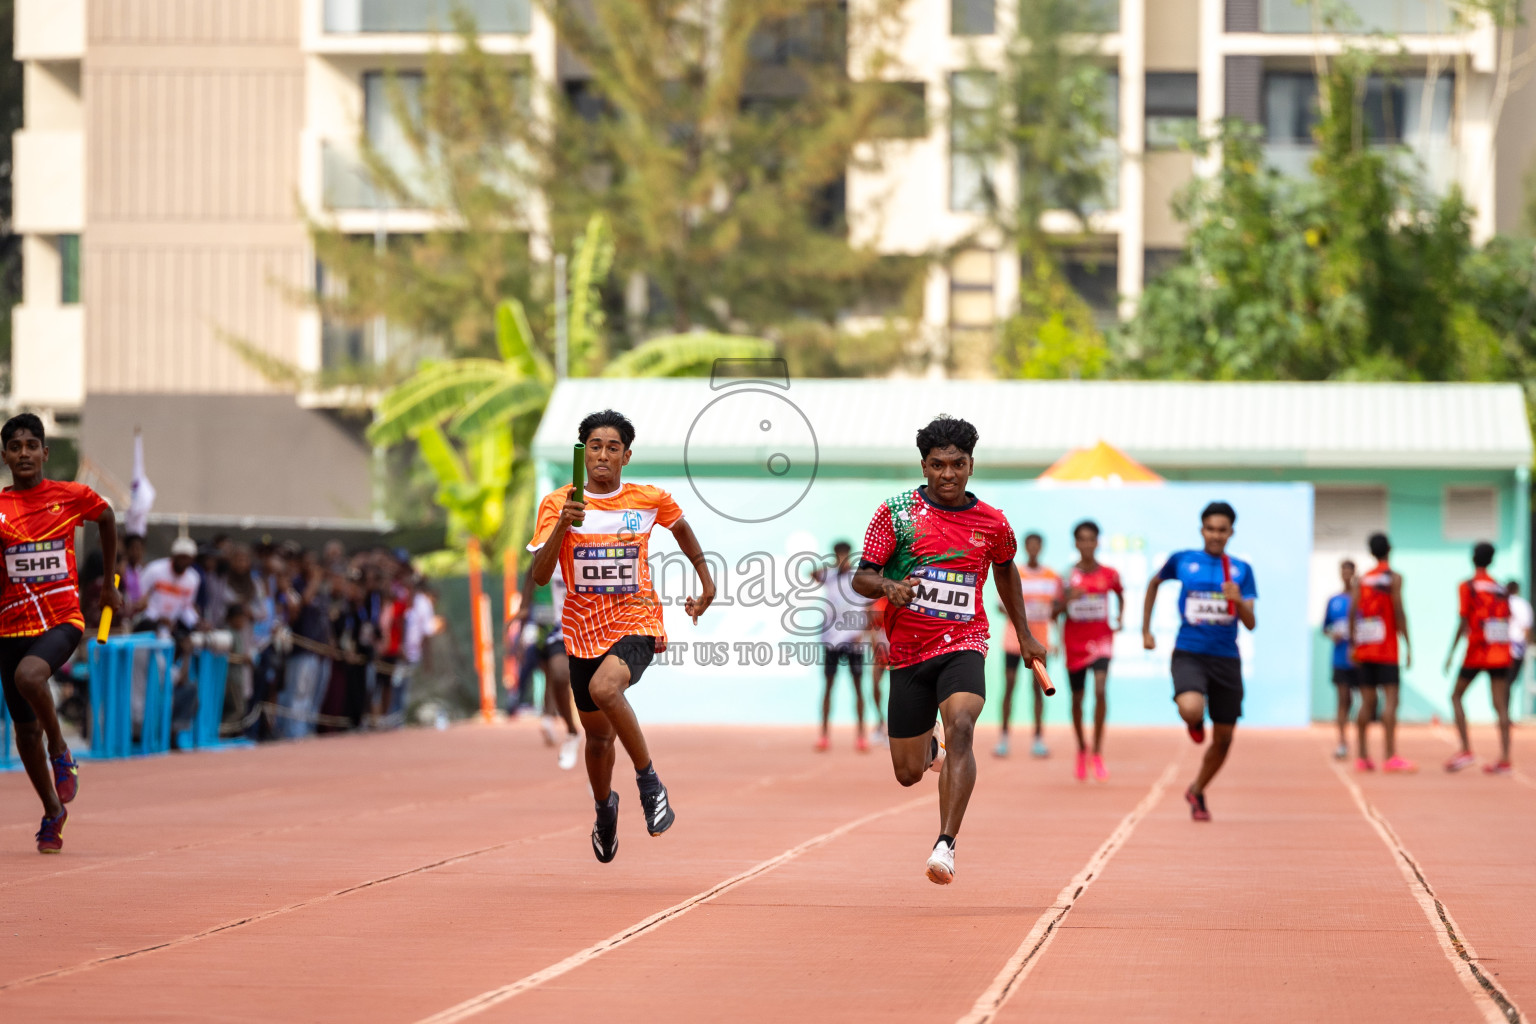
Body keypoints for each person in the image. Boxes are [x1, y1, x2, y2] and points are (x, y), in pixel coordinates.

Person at [852, 415, 1047, 885]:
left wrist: (1024, 633)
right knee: (907, 772)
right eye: (938, 465)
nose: (948, 475)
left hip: (965, 642)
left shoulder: (993, 523)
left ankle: (946, 843)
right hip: (909, 652)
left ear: (971, 465)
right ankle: (928, 747)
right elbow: (862, 577)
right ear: (924, 466)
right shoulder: (896, 512)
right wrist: (890, 586)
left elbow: (1005, 570)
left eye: (957, 464)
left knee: (963, 723)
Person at [529, 410, 716, 863]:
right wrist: (563, 527)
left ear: (626, 456)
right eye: (595, 446)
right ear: (583, 452)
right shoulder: (559, 503)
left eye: (613, 448)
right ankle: (604, 808)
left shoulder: (647, 500)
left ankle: (650, 783)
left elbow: (683, 530)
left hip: (636, 620)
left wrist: (706, 581)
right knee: (597, 741)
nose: (603, 456)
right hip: (581, 630)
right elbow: (538, 576)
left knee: (605, 688)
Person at [0, 412, 120, 853]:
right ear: (6, 456)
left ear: (46, 453)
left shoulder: (70, 497)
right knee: (22, 732)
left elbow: (107, 518)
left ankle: (60, 748)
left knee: (30, 678)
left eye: (33, 445)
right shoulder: (0, 509)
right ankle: (53, 811)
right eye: (16, 447)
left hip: (61, 618)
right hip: (9, 626)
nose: (25, 453)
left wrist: (108, 584)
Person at [1142, 501, 1256, 822]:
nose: (1216, 535)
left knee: (1224, 739)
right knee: (1191, 707)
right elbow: (1153, 583)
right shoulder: (1183, 560)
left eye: (1222, 530)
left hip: (1226, 659)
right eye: (1210, 529)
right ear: (1202, 530)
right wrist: (1145, 630)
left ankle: (1197, 789)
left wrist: (1238, 602)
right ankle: (1194, 721)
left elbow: (1250, 622)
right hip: (1189, 653)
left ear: (1231, 532)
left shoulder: (1241, 570)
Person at [1059, 520, 1123, 782]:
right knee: (1077, 699)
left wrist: (1120, 618)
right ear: (1076, 543)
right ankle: (1081, 748)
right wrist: (1067, 601)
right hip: (1074, 643)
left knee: (1099, 689)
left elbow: (1121, 593)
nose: (1087, 544)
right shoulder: (1067, 576)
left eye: (1091, 539)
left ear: (1098, 542)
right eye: (1082, 539)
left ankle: (1097, 751)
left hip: (1102, 640)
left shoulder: (1109, 573)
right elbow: (1055, 610)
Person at [1443, 543, 1514, 774]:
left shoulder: (1467, 586)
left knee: (1456, 695)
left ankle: (1465, 749)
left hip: (1476, 652)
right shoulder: (1501, 588)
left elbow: (1463, 620)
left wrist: (1451, 653)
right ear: (1491, 560)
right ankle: (1504, 757)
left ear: (1473, 559)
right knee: (1500, 705)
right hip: (1499, 652)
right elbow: (1506, 620)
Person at [1350, 533, 1415, 773]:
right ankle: (1389, 756)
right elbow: (1399, 610)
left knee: (1366, 702)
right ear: (1390, 549)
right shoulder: (1394, 578)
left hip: (1365, 649)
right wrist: (1407, 644)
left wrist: (1351, 644)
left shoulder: (1362, 579)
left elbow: (1352, 612)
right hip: (1387, 650)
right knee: (1390, 701)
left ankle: (1362, 756)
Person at [993, 532, 1060, 759]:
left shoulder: (1051, 576)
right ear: (1025, 547)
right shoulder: (1016, 573)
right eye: (1029, 545)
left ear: (1041, 547)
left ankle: (1039, 739)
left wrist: (1056, 637)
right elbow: (1000, 605)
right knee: (1010, 686)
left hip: (1040, 642)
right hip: (1014, 640)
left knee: (1039, 689)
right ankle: (1003, 738)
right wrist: (1022, 616)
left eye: (1037, 545)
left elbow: (1055, 611)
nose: (1033, 549)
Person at [812, 541, 872, 752]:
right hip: (831, 639)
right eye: (839, 555)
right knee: (829, 686)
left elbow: (868, 606)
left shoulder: (858, 576)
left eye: (845, 555)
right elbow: (812, 574)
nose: (842, 559)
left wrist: (862, 632)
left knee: (858, 688)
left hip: (853, 638)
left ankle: (862, 736)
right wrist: (832, 566)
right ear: (835, 555)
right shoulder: (830, 574)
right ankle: (824, 735)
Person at [1322, 560, 1357, 760]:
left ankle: (1362, 745)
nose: (1346, 575)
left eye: (1349, 572)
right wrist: (1332, 634)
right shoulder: (1333, 600)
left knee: (1366, 700)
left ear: (1354, 573)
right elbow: (1325, 627)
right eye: (1343, 571)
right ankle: (1342, 742)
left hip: (1360, 659)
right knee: (1343, 699)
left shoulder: (1360, 598)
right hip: (1340, 658)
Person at [1507, 579, 1531, 693]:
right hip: (1517, 648)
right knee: (1509, 682)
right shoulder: (1523, 604)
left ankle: (1504, 709)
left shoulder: (1501, 602)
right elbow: (1526, 628)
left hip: (1502, 647)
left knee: (1504, 683)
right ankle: (1504, 709)